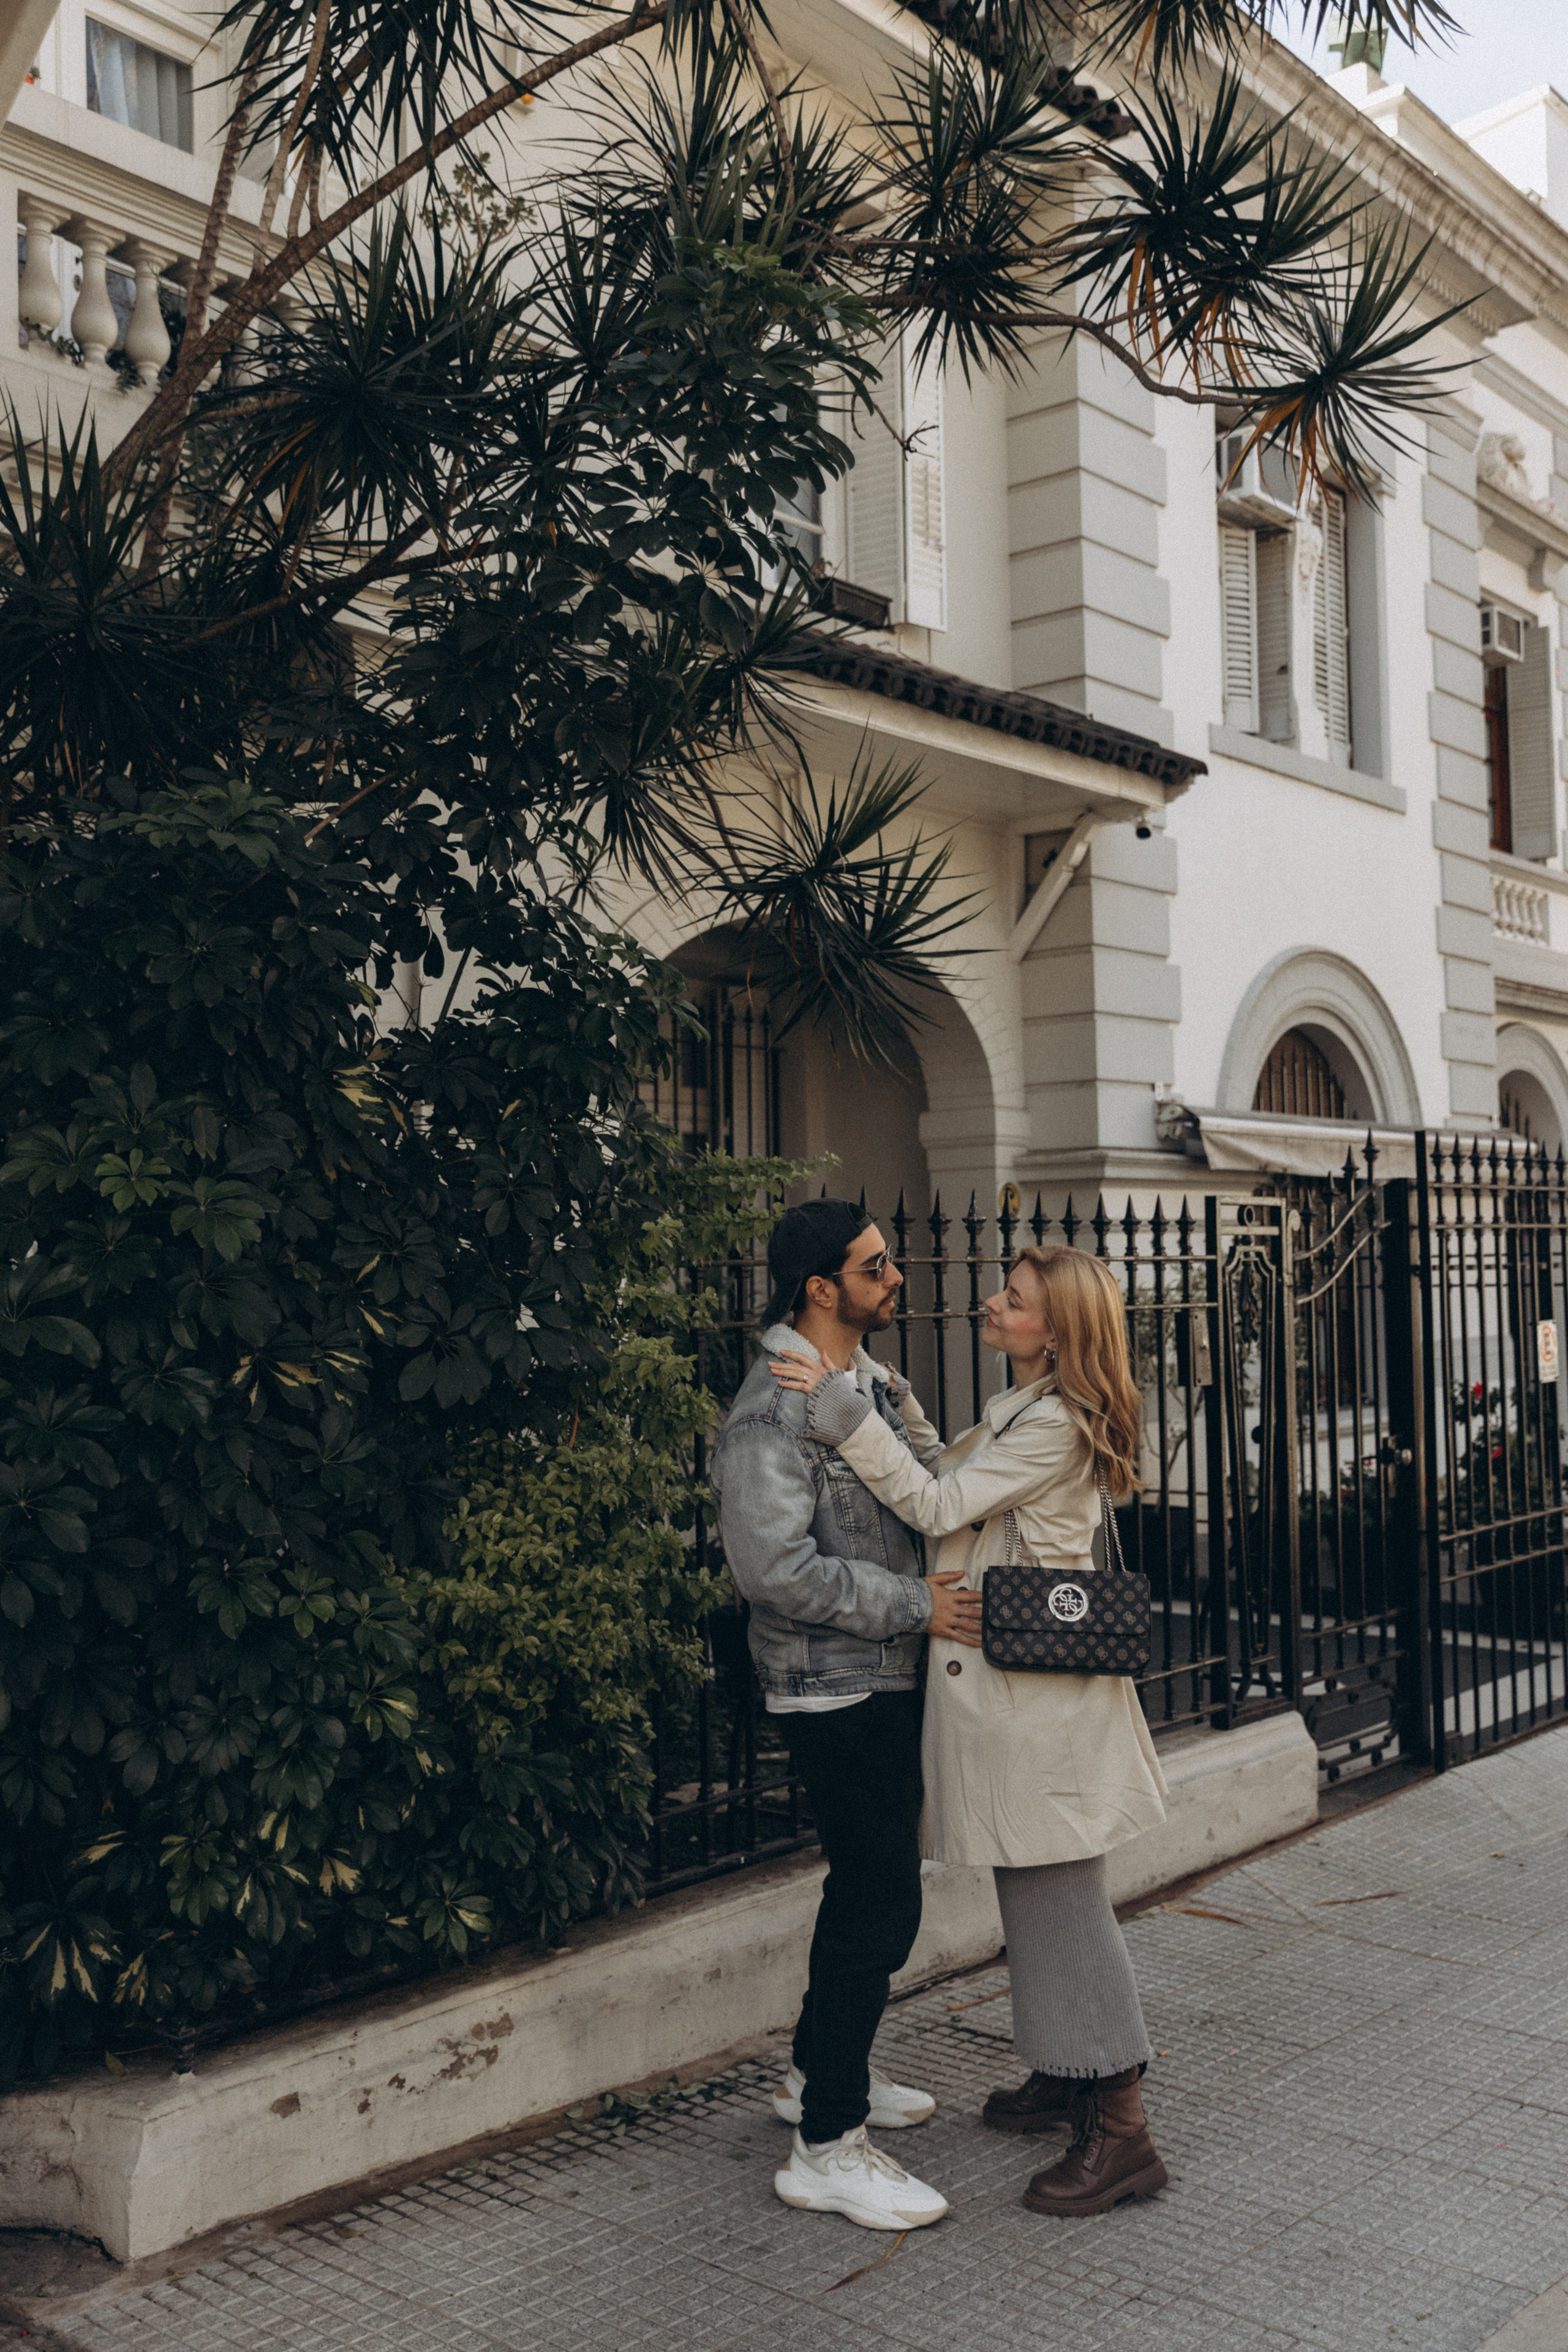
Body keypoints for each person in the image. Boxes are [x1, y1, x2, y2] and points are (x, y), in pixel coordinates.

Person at [771, 1243, 1170, 2218]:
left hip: (1041, 1709)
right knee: (1033, 1897)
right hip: (1019, 1703)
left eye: (1015, 1299)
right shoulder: (1022, 1406)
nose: (993, 1303)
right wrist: (896, 1408)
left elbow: (942, 1503)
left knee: (1064, 1906)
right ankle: (1068, 2071)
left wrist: (847, 1414)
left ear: (1057, 1330)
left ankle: (1122, 2131)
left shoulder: (1058, 1424)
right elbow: (950, 1467)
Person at [712, 1196, 982, 2233]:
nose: (897, 1277)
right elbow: (774, 1571)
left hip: (878, 1673)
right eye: (876, 1268)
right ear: (821, 1288)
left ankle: (818, 2073)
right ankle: (826, 2144)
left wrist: (885, 1401)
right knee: (880, 1900)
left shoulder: (855, 1382)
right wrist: (919, 1606)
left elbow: (929, 1481)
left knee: (869, 1888)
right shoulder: (772, 1412)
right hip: (835, 1682)